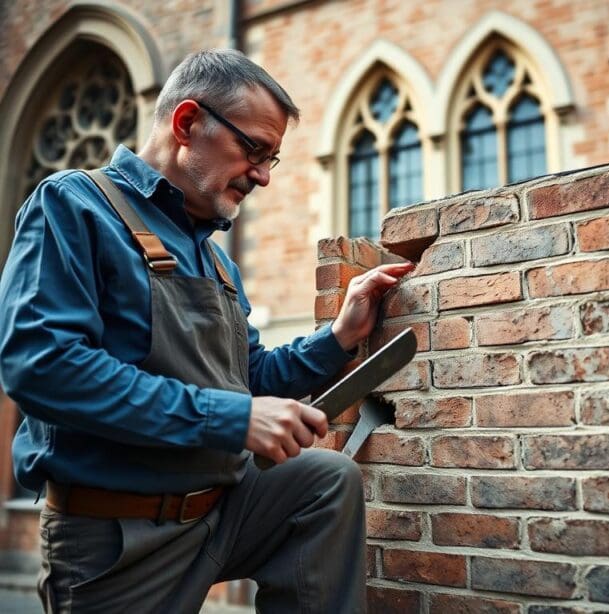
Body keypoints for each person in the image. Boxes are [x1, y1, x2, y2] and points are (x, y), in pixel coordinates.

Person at [0, 48, 413, 613]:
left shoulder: (215, 261)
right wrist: (233, 418)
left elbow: (249, 377)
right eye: (255, 150)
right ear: (188, 122)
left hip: (222, 514)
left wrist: (339, 336)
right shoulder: (71, 207)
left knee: (326, 480)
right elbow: (40, 365)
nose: (264, 176)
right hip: (117, 540)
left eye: (273, 159)